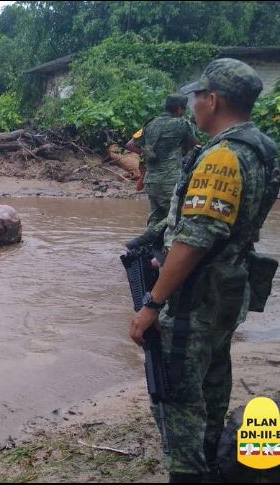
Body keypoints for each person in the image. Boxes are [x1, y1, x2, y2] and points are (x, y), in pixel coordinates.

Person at [129, 58, 278, 482]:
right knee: (213, 383)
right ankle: (213, 464)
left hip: (196, 297)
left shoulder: (222, 158)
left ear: (212, 100)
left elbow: (195, 241)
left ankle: (190, 472)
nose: (194, 103)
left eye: (198, 96)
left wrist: (152, 303)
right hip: (230, 291)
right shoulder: (262, 149)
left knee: (175, 398)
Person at [125, 94, 199, 249]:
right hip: (170, 181)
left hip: (151, 180)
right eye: (184, 108)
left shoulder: (150, 123)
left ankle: (148, 251)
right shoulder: (182, 124)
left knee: (156, 216)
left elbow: (130, 145)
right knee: (178, 215)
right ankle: (148, 242)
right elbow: (195, 145)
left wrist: (149, 154)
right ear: (179, 109)